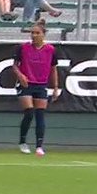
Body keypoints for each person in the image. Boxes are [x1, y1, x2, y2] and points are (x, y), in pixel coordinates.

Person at [11, 21, 60, 156]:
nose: (34, 35)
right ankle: (23, 142)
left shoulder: (50, 50)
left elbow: (53, 69)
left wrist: (55, 87)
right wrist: (20, 75)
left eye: (37, 33)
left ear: (43, 35)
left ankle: (39, 146)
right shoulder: (23, 48)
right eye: (32, 33)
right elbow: (14, 66)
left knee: (40, 114)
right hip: (26, 83)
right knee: (29, 111)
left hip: (41, 84)